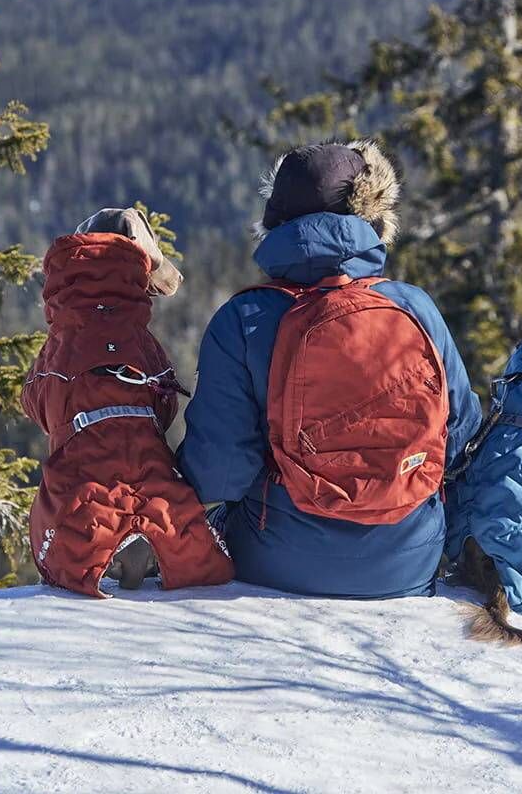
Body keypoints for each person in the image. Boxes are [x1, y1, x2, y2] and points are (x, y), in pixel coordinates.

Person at [177, 140, 481, 599]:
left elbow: (219, 471)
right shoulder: (415, 308)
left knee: (220, 522)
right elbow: (460, 438)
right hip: (408, 558)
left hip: (277, 559)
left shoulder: (243, 319)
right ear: (371, 217)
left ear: (275, 220)